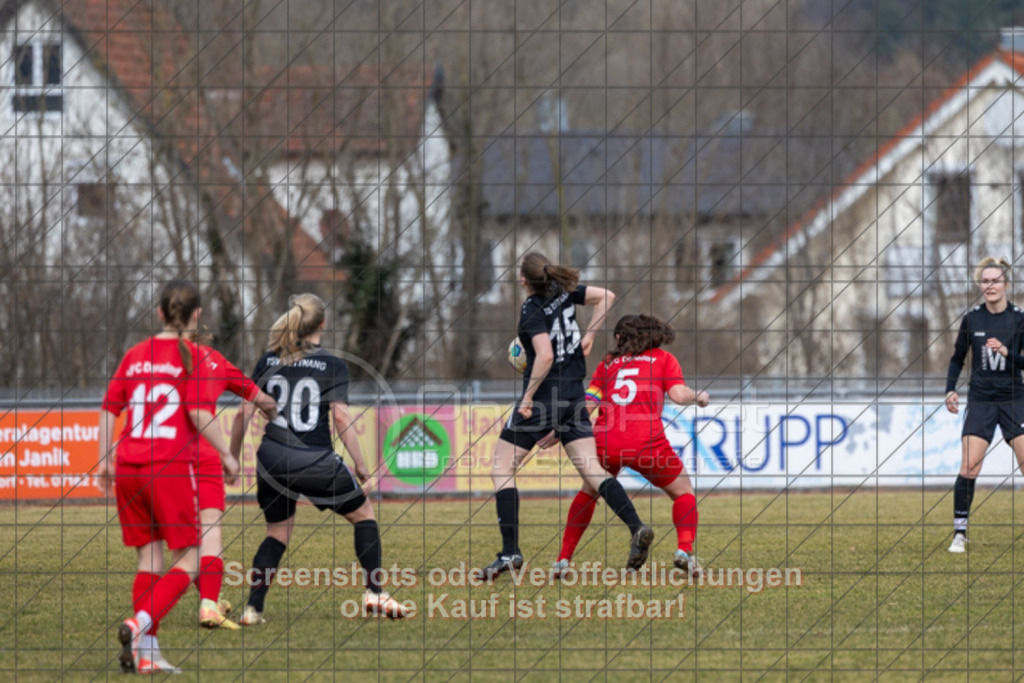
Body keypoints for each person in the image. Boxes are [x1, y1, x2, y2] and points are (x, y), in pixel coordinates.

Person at [473, 252, 654, 581]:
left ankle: (510, 552)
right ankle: (636, 526)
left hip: (544, 397)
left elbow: (544, 355)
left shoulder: (532, 308)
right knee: (593, 471)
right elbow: (607, 297)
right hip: (573, 394)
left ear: (524, 279)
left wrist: (527, 398)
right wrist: (591, 334)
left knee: (501, 467)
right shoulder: (564, 291)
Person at [236, 293, 408, 624]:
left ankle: (252, 609)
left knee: (277, 532)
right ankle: (375, 593)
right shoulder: (332, 364)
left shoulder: (268, 360)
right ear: (323, 324)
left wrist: (231, 456)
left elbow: (245, 411)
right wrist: (361, 466)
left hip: (271, 458)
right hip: (312, 458)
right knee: (364, 515)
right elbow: (341, 418)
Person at [97, 280, 240, 674]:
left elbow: (109, 408)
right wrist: (227, 453)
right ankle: (138, 625)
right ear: (196, 315)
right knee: (193, 556)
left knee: (150, 559)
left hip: (128, 467)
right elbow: (197, 412)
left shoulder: (134, 355)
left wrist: (104, 461)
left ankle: (148, 654)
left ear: (159, 313)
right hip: (168, 467)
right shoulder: (189, 356)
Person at [548, 314, 709, 577]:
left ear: (622, 337)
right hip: (647, 442)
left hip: (606, 440)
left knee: (589, 491)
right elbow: (679, 395)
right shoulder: (664, 359)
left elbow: (588, 404)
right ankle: (684, 551)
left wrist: (561, 430)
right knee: (683, 491)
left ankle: (563, 560)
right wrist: (698, 396)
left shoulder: (607, 363)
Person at [189, 344, 277, 630]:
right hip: (203, 454)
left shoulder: (154, 357)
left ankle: (208, 599)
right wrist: (278, 416)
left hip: (164, 456)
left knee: (183, 538)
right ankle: (208, 604)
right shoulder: (215, 359)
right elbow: (258, 399)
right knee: (210, 527)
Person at [945, 256, 1024, 553]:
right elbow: (957, 359)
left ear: (1005, 284)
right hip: (980, 401)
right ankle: (960, 534)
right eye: (985, 281)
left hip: (1015, 399)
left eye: (995, 280)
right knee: (969, 466)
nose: (990, 285)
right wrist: (949, 390)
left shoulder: (1018, 318)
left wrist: (1007, 352)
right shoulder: (972, 319)